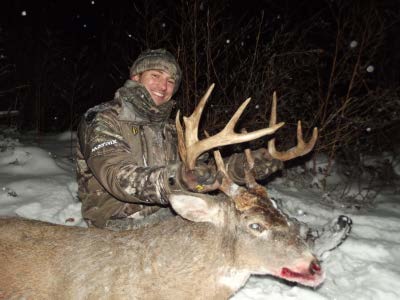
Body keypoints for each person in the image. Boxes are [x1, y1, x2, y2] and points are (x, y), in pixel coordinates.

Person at [76, 49, 351, 254]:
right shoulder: (102, 119)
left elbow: (206, 173)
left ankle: (302, 239)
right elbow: (118, 178)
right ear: (136, 78)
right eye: (155, 76)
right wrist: (180, 179)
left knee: (243, 200)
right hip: (117, 226)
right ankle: (287, 252)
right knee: (228, 221)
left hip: (169, 210)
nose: (164, 86)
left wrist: (254, 163)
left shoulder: (173, 128)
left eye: (171, 81)